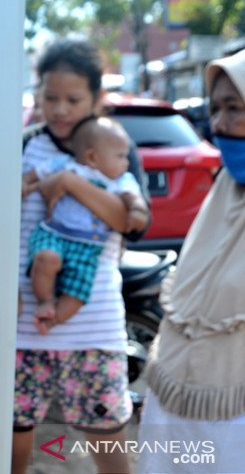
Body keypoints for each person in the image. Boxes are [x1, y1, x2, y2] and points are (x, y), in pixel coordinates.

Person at [139, 41, 245, 473]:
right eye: (215, 109)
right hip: (180, 428)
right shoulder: (223, 199)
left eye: (236, 108)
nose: (219, 124)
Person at [12, 38, 150, 474]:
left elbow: (129, 222)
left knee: (107, 439)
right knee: (11, 436)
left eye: (73, 99)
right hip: (21, 325)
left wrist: (71, 183)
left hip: (96, 324)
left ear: (97, 99)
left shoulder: (114, 150)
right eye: (50, 98)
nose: (60, 110)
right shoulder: (24, 146)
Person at [22, 117, 148, 334]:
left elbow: (132, 197)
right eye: (120, 156)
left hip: (88, 247)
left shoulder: (120, 180)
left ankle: (53, 319)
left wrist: (137, 210)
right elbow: (38, 173)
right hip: (54, 233)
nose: (126, 163)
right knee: (45, 260)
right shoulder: (67, 164)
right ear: (91, 157)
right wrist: (26, 185)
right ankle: (45, 301)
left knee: (77, 292)